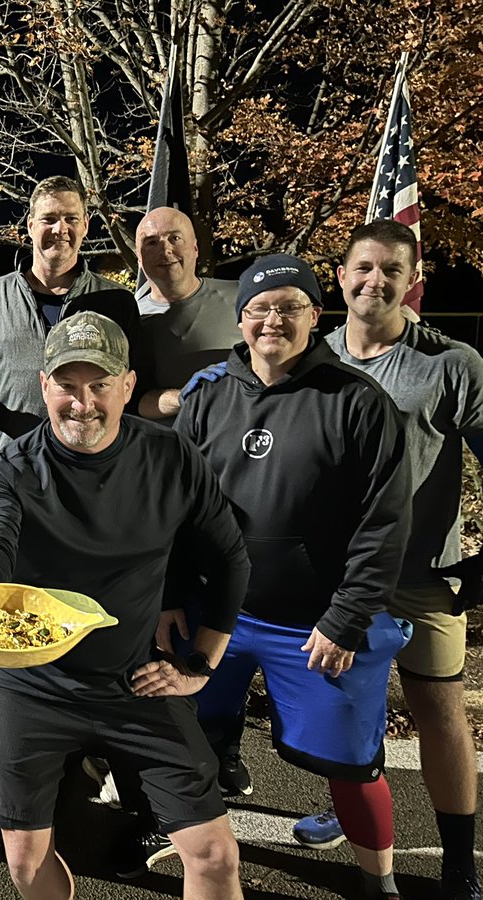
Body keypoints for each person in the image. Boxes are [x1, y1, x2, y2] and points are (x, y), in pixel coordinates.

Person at [0, 309, 250, 900]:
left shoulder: (170, 458)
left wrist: (200, 666)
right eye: (68, 386)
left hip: (135, 680)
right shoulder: (8, 470)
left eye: (100, 385)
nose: (84, 403)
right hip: (32, 687)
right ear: (44, 386)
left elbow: (231, 558)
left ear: (128, 386)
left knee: (214, 855)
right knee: (26, 862)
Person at [173, 255, 412, 900]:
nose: (272, 320)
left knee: (351, 763)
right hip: (215, 615)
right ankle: (170, 833)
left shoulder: (357, 401)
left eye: (289, 306)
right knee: (182, 737)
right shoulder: (207, 395)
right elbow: (176, 507)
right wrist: (171, 595)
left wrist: (345, 617)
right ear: (242, 318)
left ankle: (377, 879)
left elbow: (384, 523)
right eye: (260, 308)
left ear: (314, 315)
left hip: (315, 625)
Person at [291, 220, 481, 899]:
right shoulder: (307, 358)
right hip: (339, 584)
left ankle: (459, 859)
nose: (374, 281)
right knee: (342, 716)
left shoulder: (450, 363)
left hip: (421, 576)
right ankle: (347, 812)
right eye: (362, 268)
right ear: (339, 278)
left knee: (440, 714)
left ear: (412, 283)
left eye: (390, 271)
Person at [0, 175, 139, 453]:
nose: (60, 228)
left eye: (71, 218)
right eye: (49, 218)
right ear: (30, 225)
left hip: (93, 471)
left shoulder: (117, 302)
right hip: (12, 470)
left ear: (86, 225)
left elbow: (134, 393)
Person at [134, 208, 241, 427]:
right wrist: (186, 397)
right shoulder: (130, 319)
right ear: (139, 258)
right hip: (165, 450)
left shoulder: (243, 299)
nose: (165, 249)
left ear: (195, 248)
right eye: (152, 242)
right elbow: (131, 401)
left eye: (175, 238)